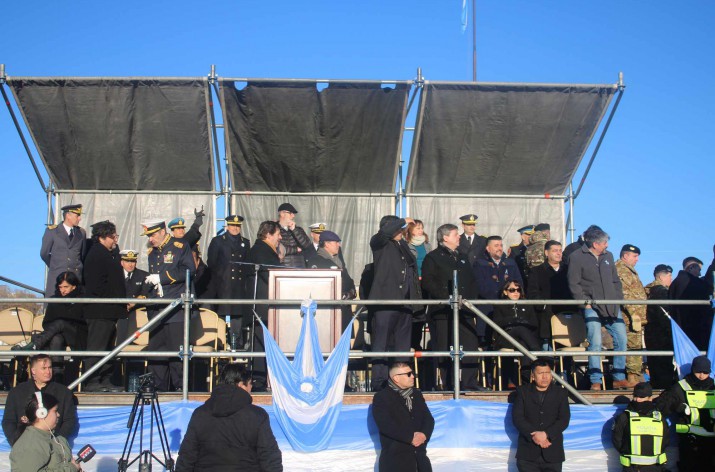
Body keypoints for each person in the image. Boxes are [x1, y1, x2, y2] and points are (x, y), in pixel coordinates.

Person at [176, 364, 282, 472]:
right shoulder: (257, 415)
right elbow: (270, 458)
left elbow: (186, 457)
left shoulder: (200, 414)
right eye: (250, 384)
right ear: (241, 385)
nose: (251, 388)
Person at [567, 226, 630, 390]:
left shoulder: (608, 256)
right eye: (604, 243)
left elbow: (615, 281)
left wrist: (618, 299)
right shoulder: (576, 257)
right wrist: (584, 302)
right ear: (595, 243)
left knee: (621, 338)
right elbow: (573, 283)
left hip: (611, 305)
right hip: (591, 305)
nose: (607, 246)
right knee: (595, 341)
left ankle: (619, 377)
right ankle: (595, 379)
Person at [421, 223, 480, 390]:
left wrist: (469, 299)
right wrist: (447, 297)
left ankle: (469, 383)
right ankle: (449, 384)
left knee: (470, 345)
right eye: (456, 234)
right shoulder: (433, 257)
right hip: (443, 312)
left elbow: (472, 281)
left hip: (464, 310)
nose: (459, 236)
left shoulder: (462, 256)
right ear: (445, 237)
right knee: (445, 346)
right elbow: (428, 282)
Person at [368, 215, 420, 391]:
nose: (401, 232)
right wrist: (402, 221)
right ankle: (379, 383)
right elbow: (384, 234)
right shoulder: (379, 243)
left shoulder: (401, 245)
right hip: (385, 301)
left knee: (402, 346)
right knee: (381, 343)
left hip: (404, 302)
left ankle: (401, 381)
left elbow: (412, 264)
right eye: (398, 229)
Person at [143, 220, 195, 392]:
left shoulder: (180, 246)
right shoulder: (152, 252)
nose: (150, 239)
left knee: (176, 350)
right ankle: (158, 387)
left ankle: (180, 387)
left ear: (162, 232)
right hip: (157, 308)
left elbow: (188, 270)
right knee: (157, 351)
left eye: (152, 235)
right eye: (149, 236)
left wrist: (162, 278)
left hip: (175, 308)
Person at [82, 220, 125, 393]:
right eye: (113, 236)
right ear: (103, 237)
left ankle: (106, 379)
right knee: (97, 345)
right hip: (100, 310)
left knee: (107, 347)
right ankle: (92, 380)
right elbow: (96, 286)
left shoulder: (109, 254)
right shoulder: (96, 255)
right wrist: (113, 298)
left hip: (109, 310)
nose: (115, 240)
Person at [23, 272, 87, 384]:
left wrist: (62, 320)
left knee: (60, 323)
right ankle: (57, 378)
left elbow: (81, 320)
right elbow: (46, 323)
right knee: (56, 338)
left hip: (76, 335)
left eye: (66, 286)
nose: (63, 290)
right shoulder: (54, 299)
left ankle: (35, 344)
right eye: (60, 287)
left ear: (74, 286)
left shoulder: (82, 299)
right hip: (58, 335)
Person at [371, 362, 434, 472]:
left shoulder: (417, 394)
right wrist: (410, 437)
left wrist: (424, 435)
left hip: (420, 462)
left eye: (412, 373)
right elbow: (386, 425)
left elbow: (428, 419)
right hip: (395, 463)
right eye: (408, 374)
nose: (413, 376)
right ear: (396, 378)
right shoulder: (382, 397)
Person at [655, 355, 715, 470]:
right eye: (698, 372)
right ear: (693, 370)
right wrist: (677, 406)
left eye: (705, 372)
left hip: (711, 441)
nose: (701, 375)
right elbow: (661, 405)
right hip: (688, 440)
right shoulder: (681, 387)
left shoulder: (713, 386)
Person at [3, 354, 78, 445]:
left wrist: (57, 442)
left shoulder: (64, 392)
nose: (48, 371)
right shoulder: (16, 392)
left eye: (49, 367)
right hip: (25, 445)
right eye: (43, 368)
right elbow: (8, 421)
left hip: (54, 444)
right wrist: (16, 442)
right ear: (33, 370)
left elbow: (69, 421)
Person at [511, 358, 570, 472]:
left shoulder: (561, 393)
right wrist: (534, 435)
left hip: (552, 452)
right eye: (540, 373)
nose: (545, 377)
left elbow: (564, 419)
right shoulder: (522, 392)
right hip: (528, 453)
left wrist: (546, 434)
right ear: (533, 375)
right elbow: (518, 418)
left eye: (547, 373)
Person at [245, 221, 283, 391]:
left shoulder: (266, 250)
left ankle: (266, 377)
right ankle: (259, 379)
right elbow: (271, 274)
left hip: (269, 304)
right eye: (278, 234)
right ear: (268, 234)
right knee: (260, 341)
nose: (280, 238)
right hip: (262, 305)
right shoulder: (261, 250)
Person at [9, 391, 81, 471]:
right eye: (55, 411)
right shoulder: (30, 444)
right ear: (41, 413)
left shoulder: (58, 439)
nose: (58, 415)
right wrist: (71, 468)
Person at [206, 215, 250, 341]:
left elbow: (247, 263)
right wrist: (219, 275)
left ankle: (236, 343)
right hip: (222, 284)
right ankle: (220, 341)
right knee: (220, 313)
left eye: (237, 226)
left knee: (237, 314)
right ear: (227, 226)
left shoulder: (245, 242)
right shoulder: (218, 241)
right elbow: (212, 262)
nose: (235, 228)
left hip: (238, 285)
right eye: (232, 225)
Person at [473, 235, 523, 344]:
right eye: (496, 246)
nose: (499, 248)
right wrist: (499, 293)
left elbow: (519, 284)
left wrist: (507, 295)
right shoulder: (480, 264)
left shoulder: (510, 263)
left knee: (509, 340)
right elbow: (480, 287)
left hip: (507, 308)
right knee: (486, 341)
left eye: (501, 245)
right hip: (487, 308)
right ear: (488, 248)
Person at [527, 241, 576, 350]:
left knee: (566, 353)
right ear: (546, 253)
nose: (558, 253)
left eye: (560, 251)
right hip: (546, 318)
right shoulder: (536, 271)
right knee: (547, 351)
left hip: (566, 318)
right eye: (555, 251)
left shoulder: (568, 270)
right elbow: (532, 293)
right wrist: (543, 305)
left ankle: (566, 367)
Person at [493, 280, 541, 386]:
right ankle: (539, 353)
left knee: (524, 345)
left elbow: (534, 323)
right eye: (512, 290)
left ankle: (525, 381)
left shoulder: (527, 305)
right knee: (519, 328)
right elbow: (497, 323)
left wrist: (523, 322)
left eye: (518, 290)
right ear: (505, 292)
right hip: (506, 337)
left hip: (523, 339)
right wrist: (513, 320)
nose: (516, 292)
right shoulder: (499, 305)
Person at [612, 382, 669, 471]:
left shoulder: (659, 417)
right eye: (635, 396)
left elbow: (665, 440)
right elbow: (617, 440)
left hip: (655, 467)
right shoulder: (624, 416)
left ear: (650, 398)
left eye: (642, 397)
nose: (637, 399)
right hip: (632, 468)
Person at [306, 230, 356, 330]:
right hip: (328, 311)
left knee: (344, 342)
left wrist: (351, 292)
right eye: (336, 242)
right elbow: (316, 286)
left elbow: (349, 281)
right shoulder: (316, 261)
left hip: (343, 308)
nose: (338, 245)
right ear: (327, 244)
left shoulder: (338, 260)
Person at [615, 244, 648, 384]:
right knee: (632, 344)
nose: (637, 259)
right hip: (630, 317)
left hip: (637, 316)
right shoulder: (621, 269)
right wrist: (633, 314)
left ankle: (636, 374)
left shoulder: (631, 270)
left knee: (636, 345)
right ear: (625, 256)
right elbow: (625, 293)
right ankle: (632, 376)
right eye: (634, 256)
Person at [669, 254, 715, 350]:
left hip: (683, 328)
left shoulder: (677, 282)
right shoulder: (690, 283)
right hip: (693, 328)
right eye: (699, 270)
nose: (699, 274)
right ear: (691, 268)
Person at [40, 203, 87, 296]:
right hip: (57, 278)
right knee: (56, 307)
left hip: (75, 280)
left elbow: (82, 255)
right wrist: (56, 266)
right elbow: (44, 254)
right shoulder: (52, 231)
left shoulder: (81, 233)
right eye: (77, 216)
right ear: (68, 215)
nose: (79, 218)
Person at [643, 264, 676, 389]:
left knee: (655, 363)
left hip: (651, 332)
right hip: (661, 333)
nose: (671, 279)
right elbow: (665, 315)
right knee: (663, 364)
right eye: (669, 276)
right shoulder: (661, 292)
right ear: (661, 277)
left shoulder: (648, 290)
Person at [277, 203, 311, 268]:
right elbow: (275, 247)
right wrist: (295, 249)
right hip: (282, 266)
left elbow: (307, 245)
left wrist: (294, 230)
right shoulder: (274, 228)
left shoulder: (298, 229)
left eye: (294, 214)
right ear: (282, 214)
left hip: (299, 266)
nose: (293, 216)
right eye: (290, 213)